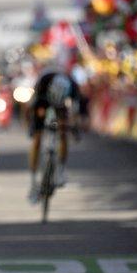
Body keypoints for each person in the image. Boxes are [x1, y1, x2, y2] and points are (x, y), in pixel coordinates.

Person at [27, 70, 80, 204]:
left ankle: (61, 169)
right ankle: (33, 180)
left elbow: (75, 112)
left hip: (62, 104)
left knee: (63, 132)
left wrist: (72, 127)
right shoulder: (43, 83)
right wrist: (33, 126)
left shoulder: (73, 86)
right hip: (43, 100)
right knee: (37, 138)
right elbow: (33, 108)